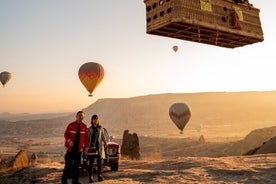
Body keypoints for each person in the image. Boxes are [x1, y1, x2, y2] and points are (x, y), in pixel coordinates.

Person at [62, 111, 89, 184]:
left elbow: (86, 139)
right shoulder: (71, 125)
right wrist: (69, 141)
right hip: (70, 149)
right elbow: (66, 134)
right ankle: (64, 181)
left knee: (76, 167)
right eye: (79, 115)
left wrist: (86, 149)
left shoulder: (84, 126)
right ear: (76, 116)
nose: (81, 117)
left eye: (82, 116)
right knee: (68, 166)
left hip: (79, 150)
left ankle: (75, 181)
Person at [87, 114, 107, 183]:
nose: (95, 121)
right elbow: (87, 138)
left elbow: (103, 137)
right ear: (92, 121)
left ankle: (99, 176)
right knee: (91, 163)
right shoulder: (89, 129)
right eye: (94, 119)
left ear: (98, 121)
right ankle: (90, 177)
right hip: (91, 148)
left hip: (98, 148)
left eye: (96, 119)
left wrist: (106, 144)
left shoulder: (100, 128)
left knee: (99, 163)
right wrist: (86, 147)